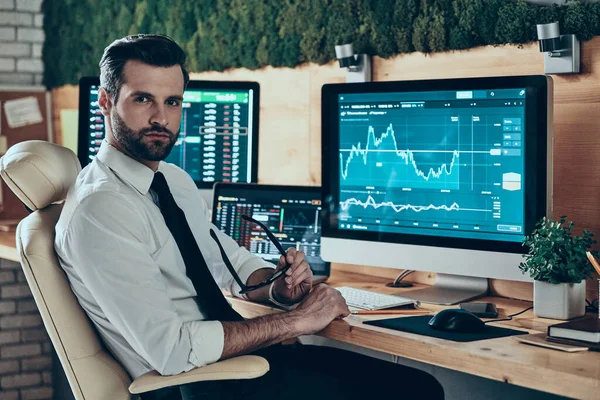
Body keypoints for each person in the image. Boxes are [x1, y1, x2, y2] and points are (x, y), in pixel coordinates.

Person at [55, 34, 444, 400]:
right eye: (143, 99)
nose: (161, 117)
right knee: (413, 391)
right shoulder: (101, 209)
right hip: (191, 385)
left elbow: (226, 262)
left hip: (232, 364)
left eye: (172, 102)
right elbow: (171, 351)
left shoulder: (171, 180)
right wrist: (295, 322)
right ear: (105, 102)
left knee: (414, 383)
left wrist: (278, 285)